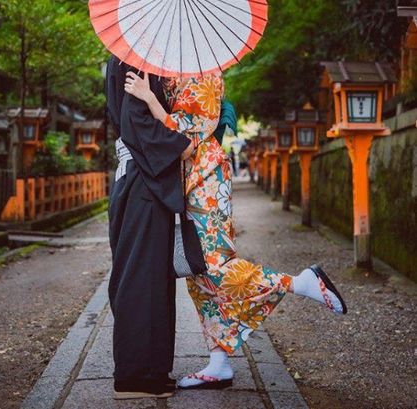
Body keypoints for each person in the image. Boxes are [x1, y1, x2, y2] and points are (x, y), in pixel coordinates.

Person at [125, 69, 348, 390]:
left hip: (206, 176)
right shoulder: (177, 71)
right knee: (199, 273)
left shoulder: (203, 72)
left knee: (214, 266)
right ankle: (218, 364)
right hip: (189, 179)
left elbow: (187, 139)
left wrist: (150, 100)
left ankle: (300, 283)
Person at [105, 55, 193, 399]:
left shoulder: (138, 57)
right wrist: (180, 146)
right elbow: (135, 122)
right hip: (142, 181)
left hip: (143, 180)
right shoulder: (132, 59)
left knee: (153, 275)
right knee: (140, 276)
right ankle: (133, 375)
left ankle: (153, 369)